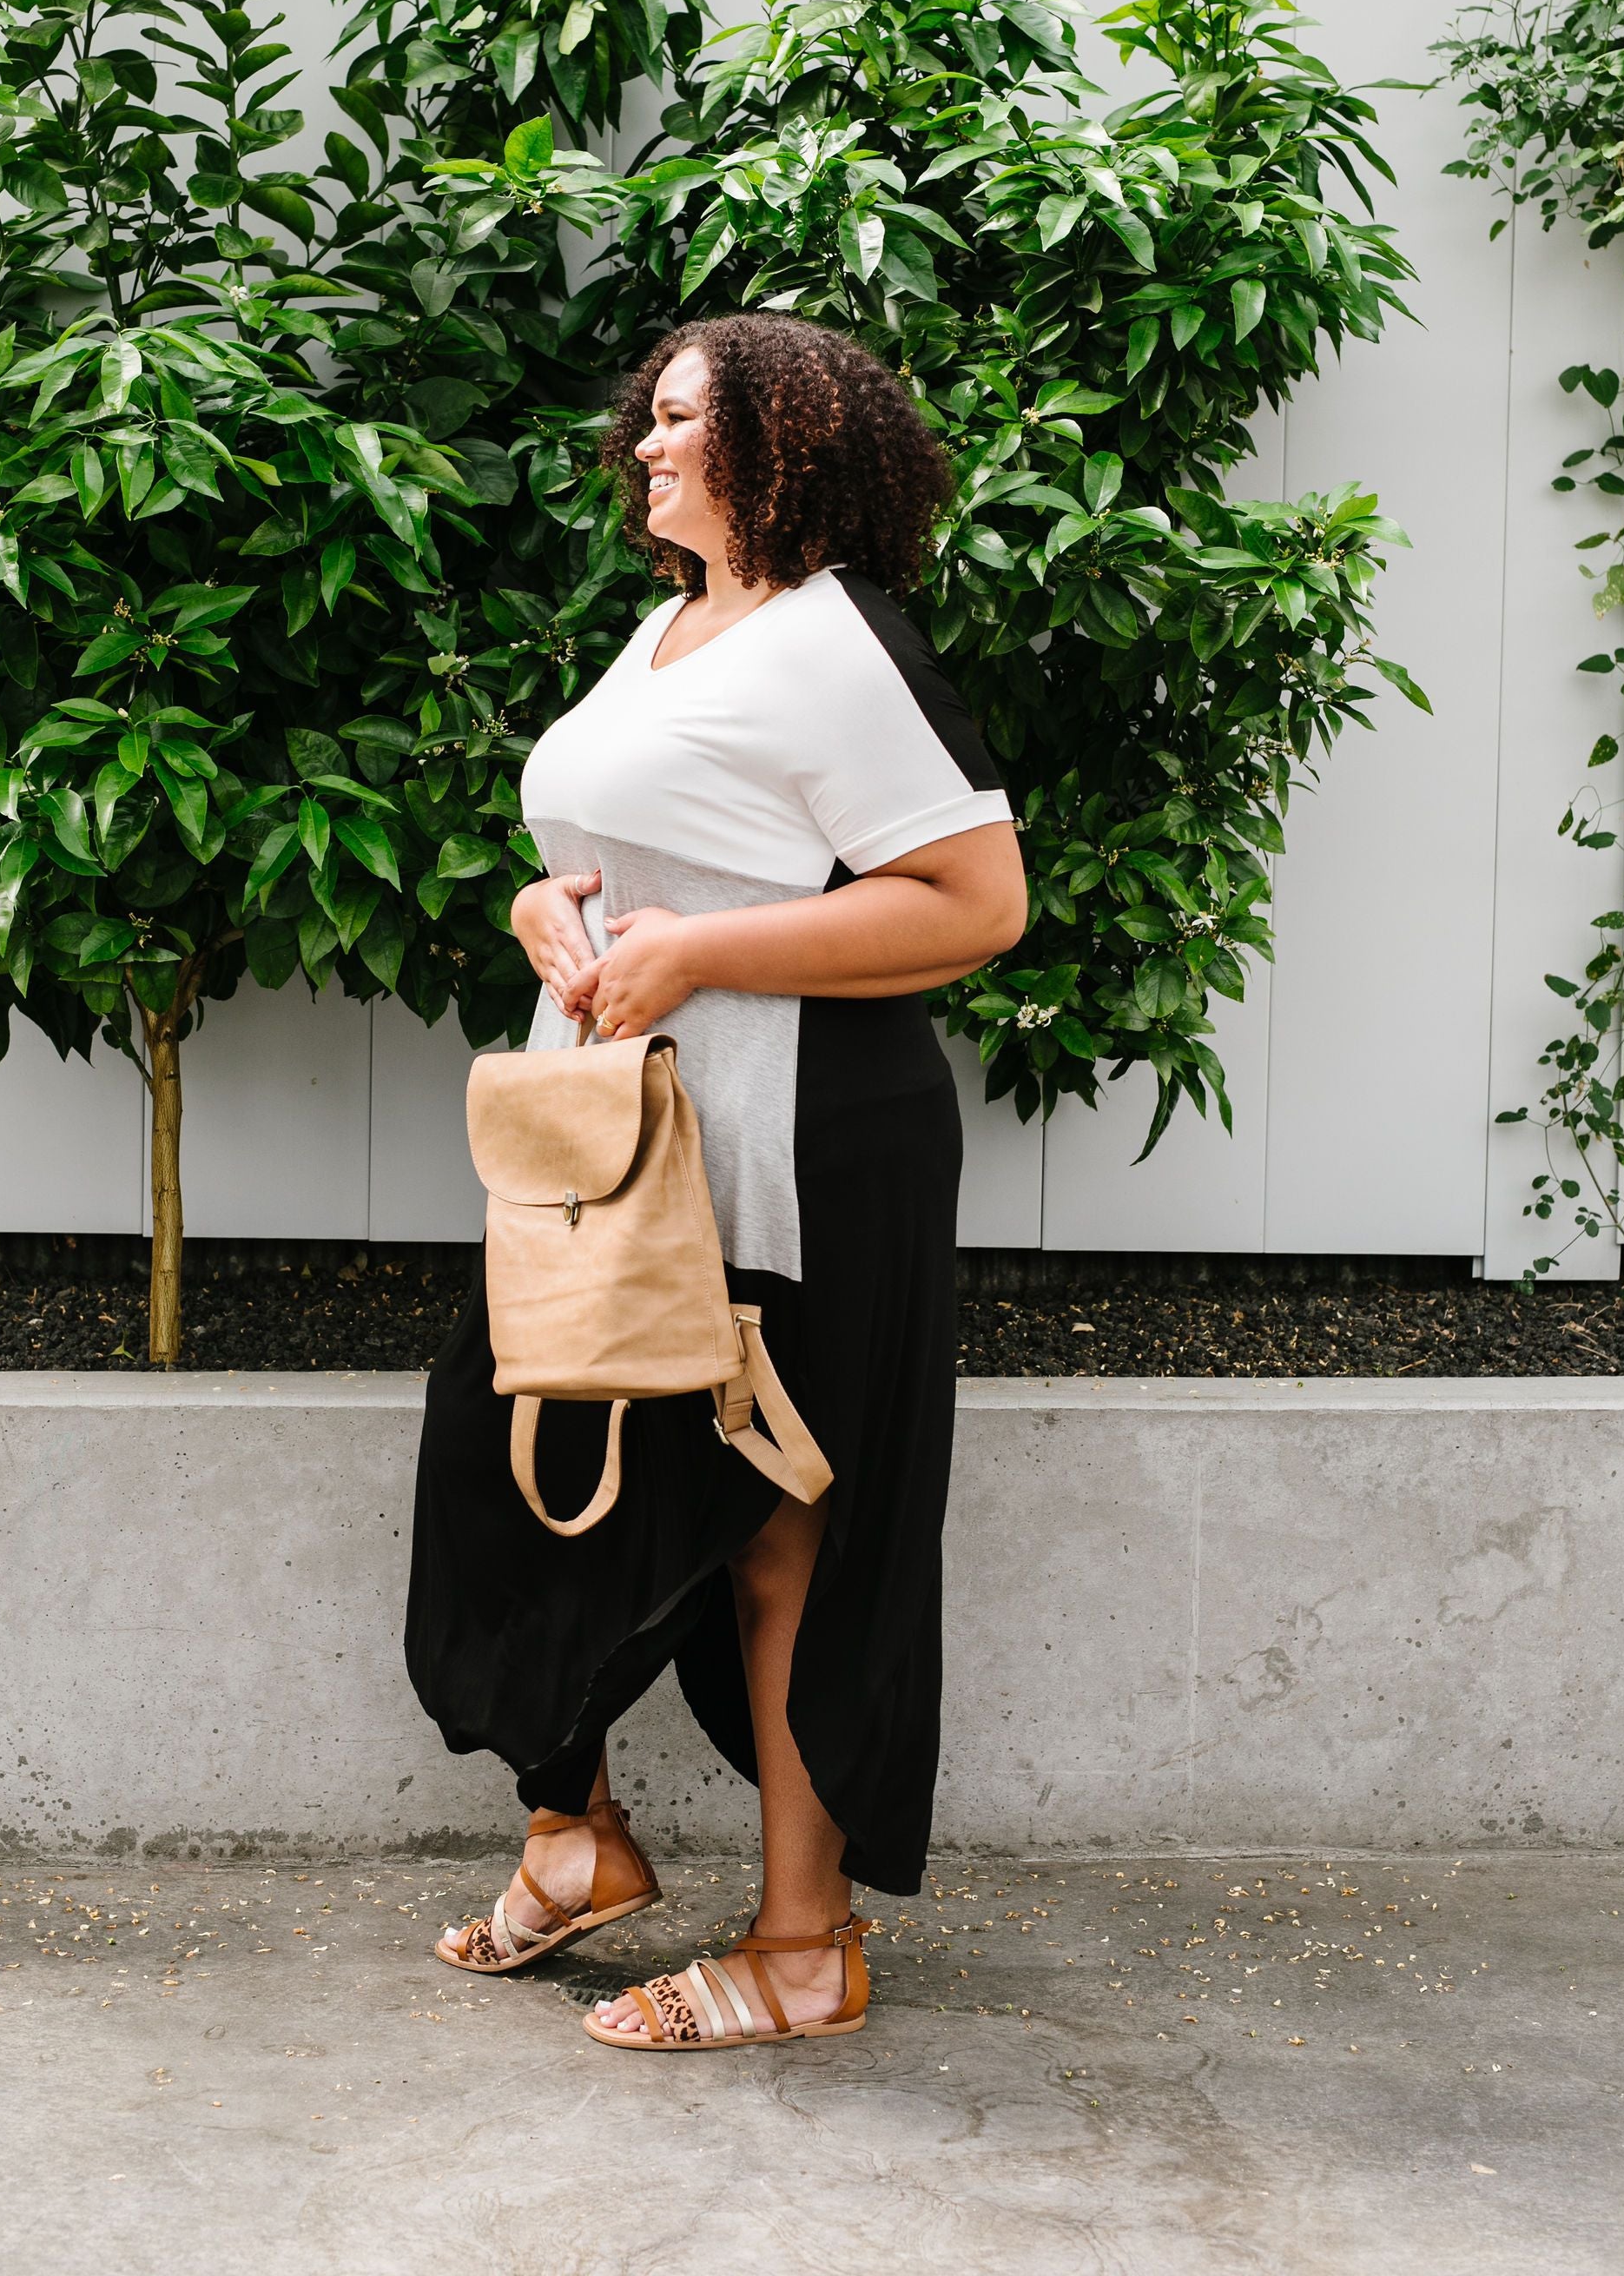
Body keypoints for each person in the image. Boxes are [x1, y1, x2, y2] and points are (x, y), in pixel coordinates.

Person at [404, 310, 1027, 2052]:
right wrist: (553, 907)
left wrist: (703, 955)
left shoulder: (838, 646)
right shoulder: (672, 628)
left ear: (785, 447)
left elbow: (975, 905)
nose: (646, 444)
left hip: (801, 1148)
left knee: (778, 1538)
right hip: (622, 1153)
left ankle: (804, 1944)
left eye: (684, 421)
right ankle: (576, 1836)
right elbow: (621, 855)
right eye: (649, 418)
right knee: (517, 1468)